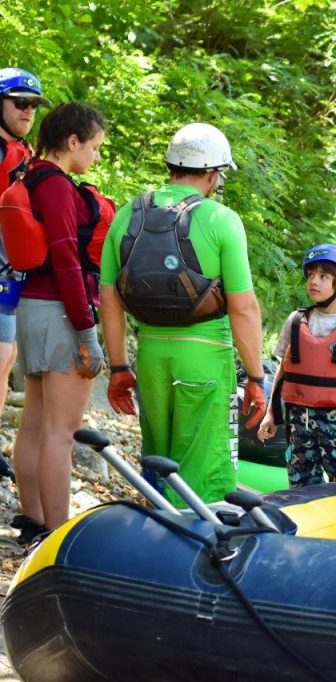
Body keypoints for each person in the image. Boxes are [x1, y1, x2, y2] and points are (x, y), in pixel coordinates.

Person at [100, 122, 266, 506]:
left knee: (158, 459)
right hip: (205, 359)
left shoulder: (126, 214)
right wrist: (256, 376)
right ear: (212, 173)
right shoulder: (222, 220)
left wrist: (119, 368)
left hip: (152, 359)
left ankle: (152, 539)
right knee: (202, 470)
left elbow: (108, 299)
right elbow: (243, 308)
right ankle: (197, 548)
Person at [11, 103, 106, 543]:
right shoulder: (56, 186)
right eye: (95, 148)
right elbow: (67, 258)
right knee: (59, 433)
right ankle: (56, 534)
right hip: (59, 312)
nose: (96, 158)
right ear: (73, 142)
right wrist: (87, 331)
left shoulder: (29, 174)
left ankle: (31, 521)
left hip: (31, 306)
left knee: (34, 424)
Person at [257, 244, 336, 487]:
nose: (314, 281)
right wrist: (270, 413)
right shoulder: (295, 321)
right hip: (298, 421)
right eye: (311, 275)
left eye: (323, 276)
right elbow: (283, 372)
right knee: (300, 483)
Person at [0, 69, 50, 426]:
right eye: (19, 103)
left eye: (33, 105)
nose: (28, 111)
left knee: (7, 358)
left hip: (15, 273)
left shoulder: (23, 151)